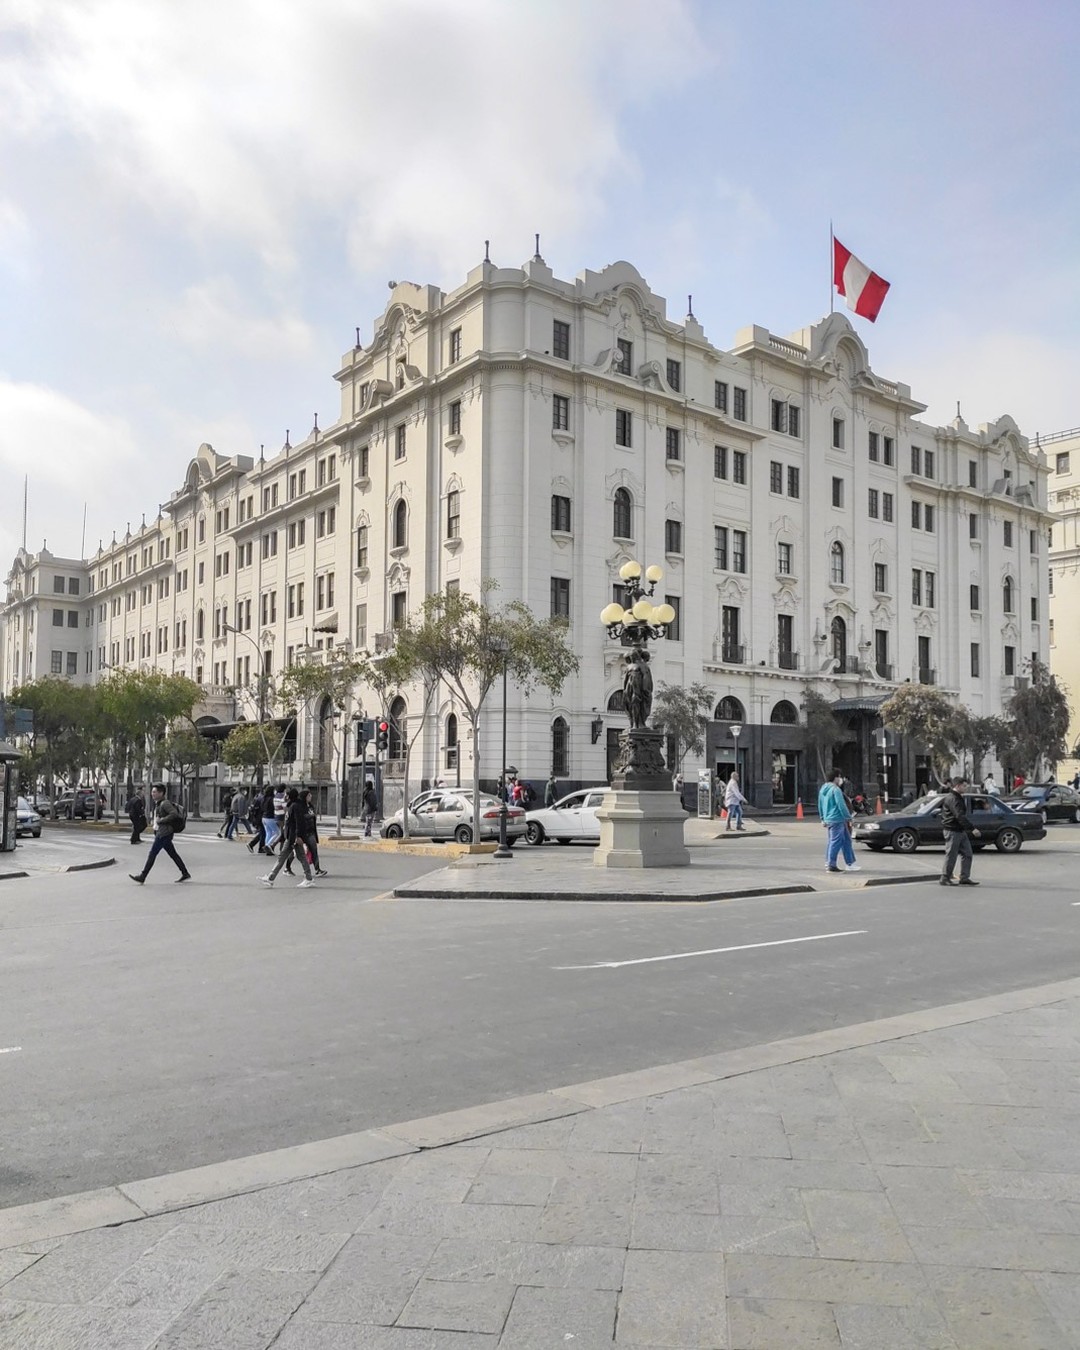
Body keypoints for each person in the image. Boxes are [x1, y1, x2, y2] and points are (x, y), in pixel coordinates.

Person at [130, 784, 190, 884]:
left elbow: (174, 813)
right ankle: (185, 873)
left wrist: (162, 820)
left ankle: (143, 876)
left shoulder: (165, 803)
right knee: (173, 854)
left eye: (154, 792)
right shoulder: (159, 803)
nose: (152, 794)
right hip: (163, 832)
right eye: (152, 792)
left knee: (152, 854)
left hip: (164, 833)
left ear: (161, 793)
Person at [259, 788, 314, 888]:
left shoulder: (295, 806)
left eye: (286, 795)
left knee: (289, 857)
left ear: (290, 796)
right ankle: (271, 878)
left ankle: (308, 878)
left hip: (293, 837)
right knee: (293, 857)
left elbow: (299, 822)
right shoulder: (292, 806)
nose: (285, 796)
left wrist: (298, 836)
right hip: (290, 836)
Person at [817, 768, 861, 873]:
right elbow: (841, 805)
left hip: (830, 818)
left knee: (845, 840)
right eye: (839, 777)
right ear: (835, 777)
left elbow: (820, 805)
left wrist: (822, 818)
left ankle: (850, 863)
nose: (840, 779)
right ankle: (831, 865)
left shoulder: (823, 789)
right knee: (835, 841)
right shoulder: (835, 790)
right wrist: (849, 817)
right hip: (838, 819)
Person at [940, 776, 981, 886]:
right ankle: (945, 877)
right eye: (964, 786)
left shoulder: (957, 797)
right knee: (951, 854)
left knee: (967, 853)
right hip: (952, 830)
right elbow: (959, 816)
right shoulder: (953, 798)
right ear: (957, 786)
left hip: (960, 830)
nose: (966, 788)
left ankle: (964, 877)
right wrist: (972, 828)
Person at [300, 789, 328, 876]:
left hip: (310, 832)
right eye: (309, 795)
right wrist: (310, 816)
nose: (311, 796)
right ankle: (287, 867)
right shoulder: (300, 806)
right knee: (295, 852)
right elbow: (301, 817)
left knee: (314, 850)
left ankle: (317, 869)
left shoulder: (311, 806)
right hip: (302, 832)